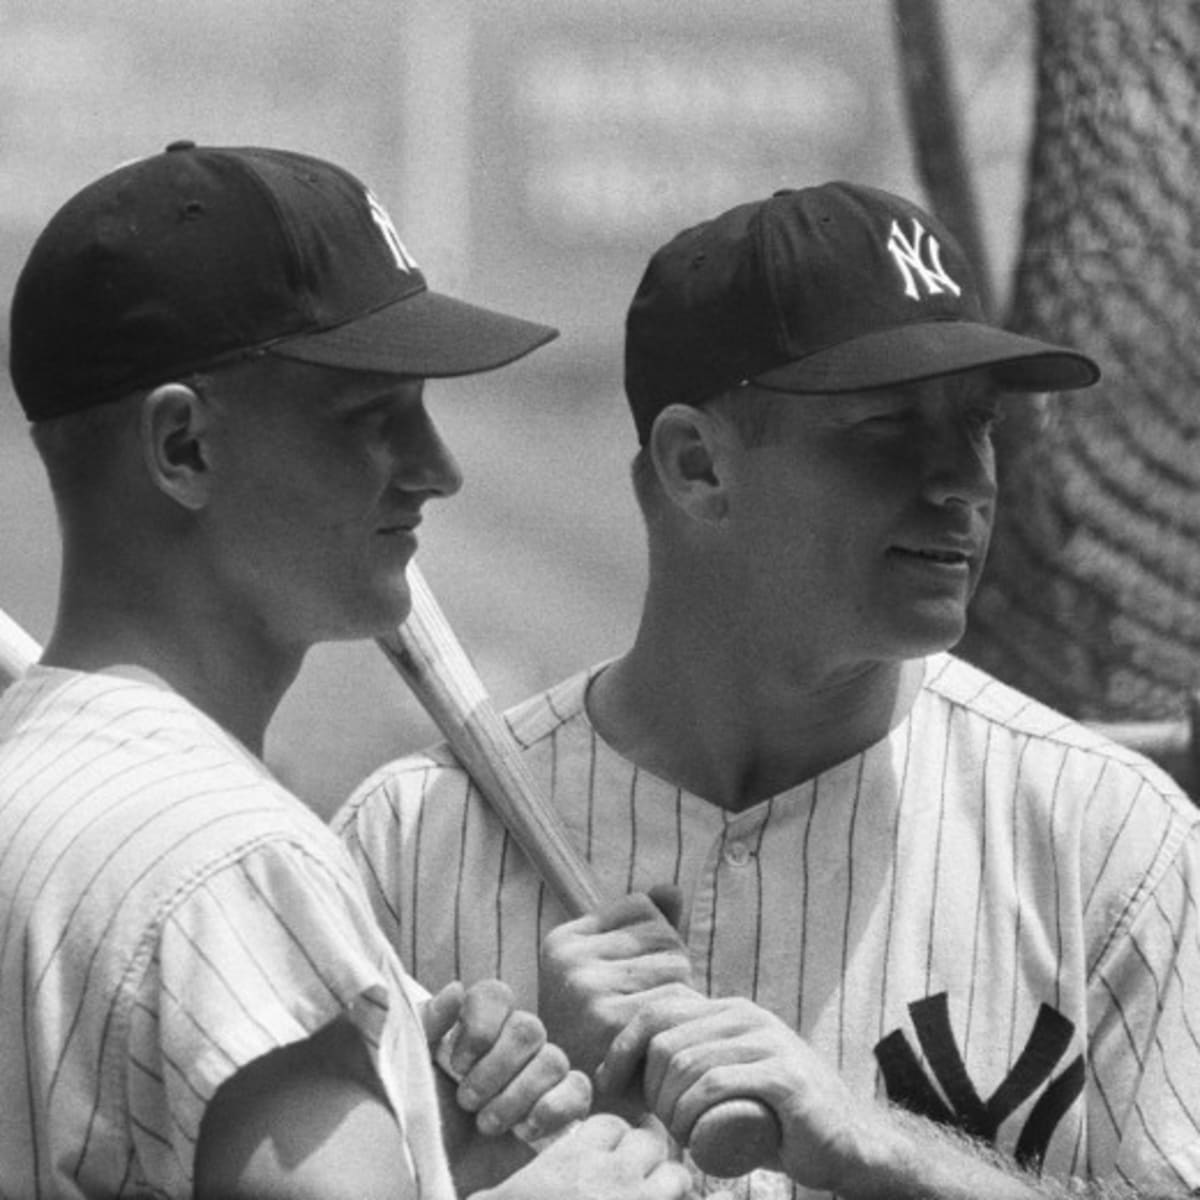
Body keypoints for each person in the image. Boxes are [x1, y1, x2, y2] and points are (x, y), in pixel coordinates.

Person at [335, 182, 1200, 1198]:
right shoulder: (408, 846)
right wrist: (466, 1158)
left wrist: (882, 1150)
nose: (963, 480)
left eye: (977, 425)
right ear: (698, 466)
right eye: (887, 430)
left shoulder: (1106, 840)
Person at [0, 140, 694, 1200]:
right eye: (372, 419)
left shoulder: (33, 796)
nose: (437, 468)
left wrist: (431, 1162)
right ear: (183, 447)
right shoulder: (233, 866)